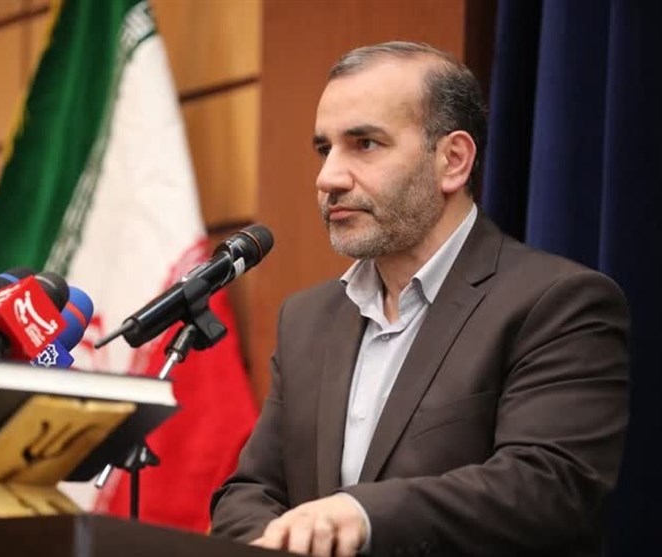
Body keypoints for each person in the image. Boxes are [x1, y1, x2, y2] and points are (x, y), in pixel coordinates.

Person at [209, 41, 630, 557]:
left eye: (365, 144)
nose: (328, 178)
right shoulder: (308, 319)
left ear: (452, 160)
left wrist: (361, 516)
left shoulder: (558, 303)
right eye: (325, 149)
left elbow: (547, 487)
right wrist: (270, 538)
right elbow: (250, 491)